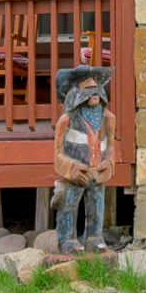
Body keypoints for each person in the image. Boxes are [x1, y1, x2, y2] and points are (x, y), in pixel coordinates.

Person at [48, 63, 116, 252]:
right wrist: (72, 169)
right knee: (68, 205)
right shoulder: (66, 120)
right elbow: (58, 154)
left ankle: (94, 237)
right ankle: (67, 239)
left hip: (97, 173)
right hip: (76, 175)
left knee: (96, 206)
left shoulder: (108, 119)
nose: (94, 92)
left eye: (97, 88)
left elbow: (111, 147)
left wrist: (109, 164)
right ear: (74, 94)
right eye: (87, 88)